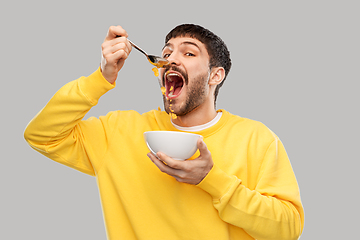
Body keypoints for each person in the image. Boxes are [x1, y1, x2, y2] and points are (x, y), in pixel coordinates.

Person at [24, 24, 304, 240]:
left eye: (189, 52)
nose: (171, 60)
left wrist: (211, 179)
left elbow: (288, 228)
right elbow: (42, 134)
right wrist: (101, 78)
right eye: (167, 53)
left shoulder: (256, 138)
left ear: (215, 76)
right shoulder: (119, 131)